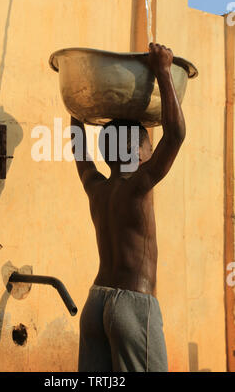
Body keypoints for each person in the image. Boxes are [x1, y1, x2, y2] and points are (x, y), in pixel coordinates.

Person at [70, 43, 186, 372]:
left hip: (96, 303)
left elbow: (80, 148)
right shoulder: (137, 186)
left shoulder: (96, 187)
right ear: (135, 152)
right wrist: (163, 70)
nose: (152, 151)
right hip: (133, 307)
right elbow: (175, 134)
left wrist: (76, 103)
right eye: (149, 145)